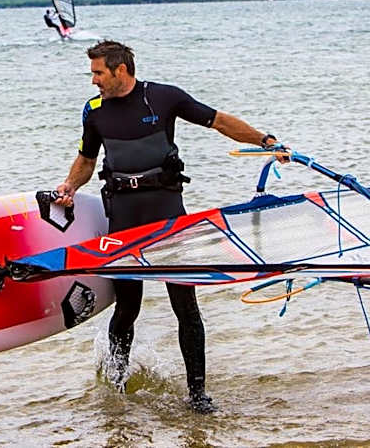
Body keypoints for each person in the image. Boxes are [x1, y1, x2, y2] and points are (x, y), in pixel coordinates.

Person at [54, 39, 285, 414]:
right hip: (123, 214)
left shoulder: (162, 97)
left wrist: (265, 141)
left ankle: (197, 395)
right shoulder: (94, 110)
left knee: (185, 304)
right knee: (127, 307)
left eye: (98, 72)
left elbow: (219, 121)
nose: (93, 81)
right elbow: (86, 159)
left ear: (120, 70)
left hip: (166, 210)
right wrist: (69, 186)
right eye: (92, 73)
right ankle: (117, 387)